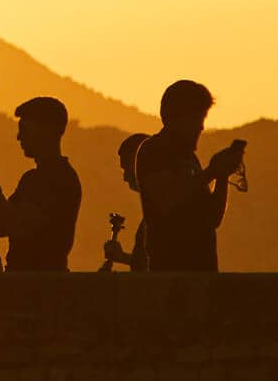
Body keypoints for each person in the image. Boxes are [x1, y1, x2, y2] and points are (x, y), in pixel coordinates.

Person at [135, 82, 246, 273]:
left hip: (202, 271)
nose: (201, 127)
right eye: (197, 118)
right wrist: (210, 173)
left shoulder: (189, 159)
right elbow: (167, 199)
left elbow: (213, 219)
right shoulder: (152, 151)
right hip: (170, 273)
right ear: (175, 118)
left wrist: (221, 177)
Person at [0, 96, 83, 271]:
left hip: (40, 284)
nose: (19, 137)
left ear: (46, 130)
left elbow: (12, 223)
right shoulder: (33, 179)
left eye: (25, 130)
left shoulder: (57, 179)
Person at [100, 133, 149, 272]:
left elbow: (158, 268)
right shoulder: (154, 211)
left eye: (127, 168)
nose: (125, 177)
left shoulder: (162, 212)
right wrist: (123, 257)